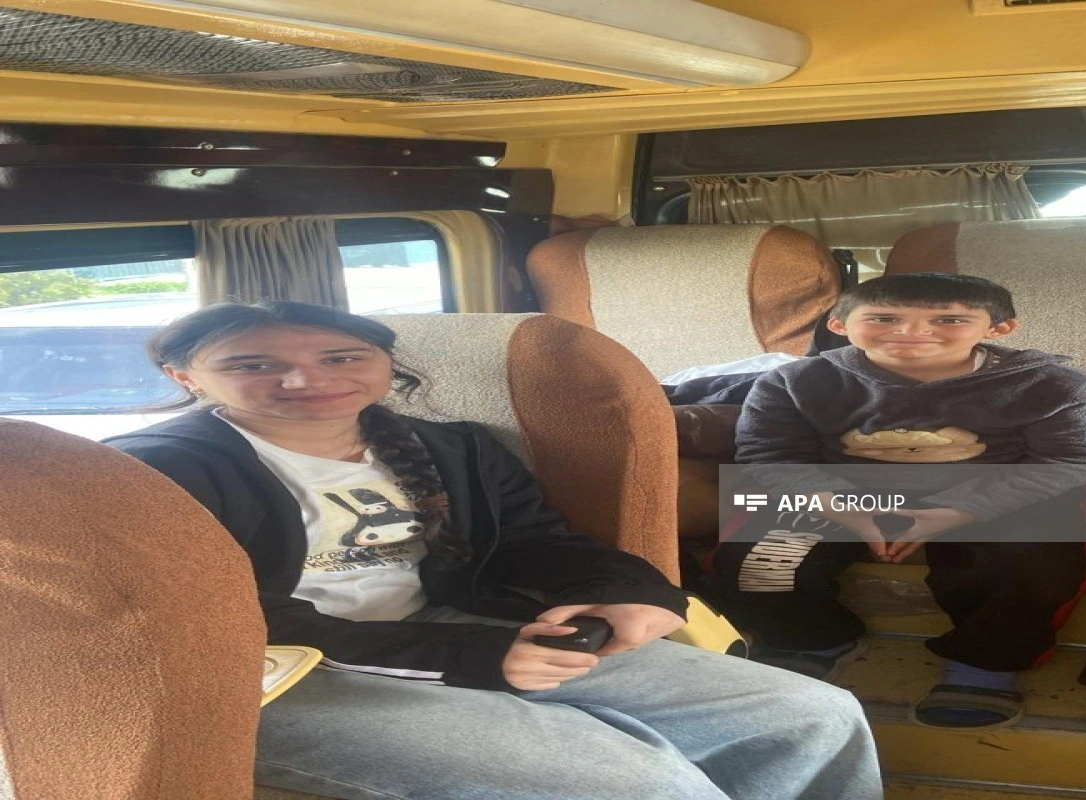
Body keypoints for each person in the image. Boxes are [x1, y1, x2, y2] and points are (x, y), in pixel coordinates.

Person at [105, 301, 882, 800]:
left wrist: (637, 593)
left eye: (341, 358)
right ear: (185, 376)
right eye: (253, 365)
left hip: (452, 623)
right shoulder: (150, 474)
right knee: (638, 781)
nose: (305, 380)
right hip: (272, 674)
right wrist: (472, 659)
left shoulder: (451, 447)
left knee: (809, 713)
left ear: (384, 365)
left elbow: (532, 541)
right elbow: (203, 625)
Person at [715, 273, 1086, 729]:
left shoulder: (1057, 387)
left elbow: (1079, 454)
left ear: (999, 328)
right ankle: (810, 638)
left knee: (1029, 562)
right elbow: (772, 452)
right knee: (758, 558)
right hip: (841, 491)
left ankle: (985, 660)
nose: (912, 332)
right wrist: (839, 505)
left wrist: (959, 510)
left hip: (999, 492)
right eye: (884, 318)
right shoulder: (793, 381)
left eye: (948, 319)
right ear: (839, 324)